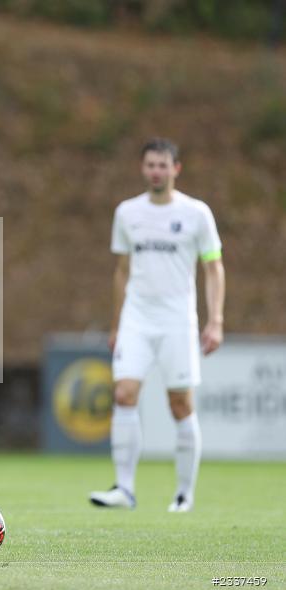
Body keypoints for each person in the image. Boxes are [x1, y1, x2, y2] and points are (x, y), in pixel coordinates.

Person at [90, 138, 225, 512]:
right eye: (150, 165)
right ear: (142, 168)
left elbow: (213, 267)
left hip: (177, 321)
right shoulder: (127, 212)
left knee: (180, 403)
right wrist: (117, 323)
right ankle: (124, 489)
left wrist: (215, 320)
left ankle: (184, 493)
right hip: (136, 318)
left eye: (163, 165)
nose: (156, 171)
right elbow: (121, 270)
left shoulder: (197, 213)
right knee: (123, 394)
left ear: (176, 169)